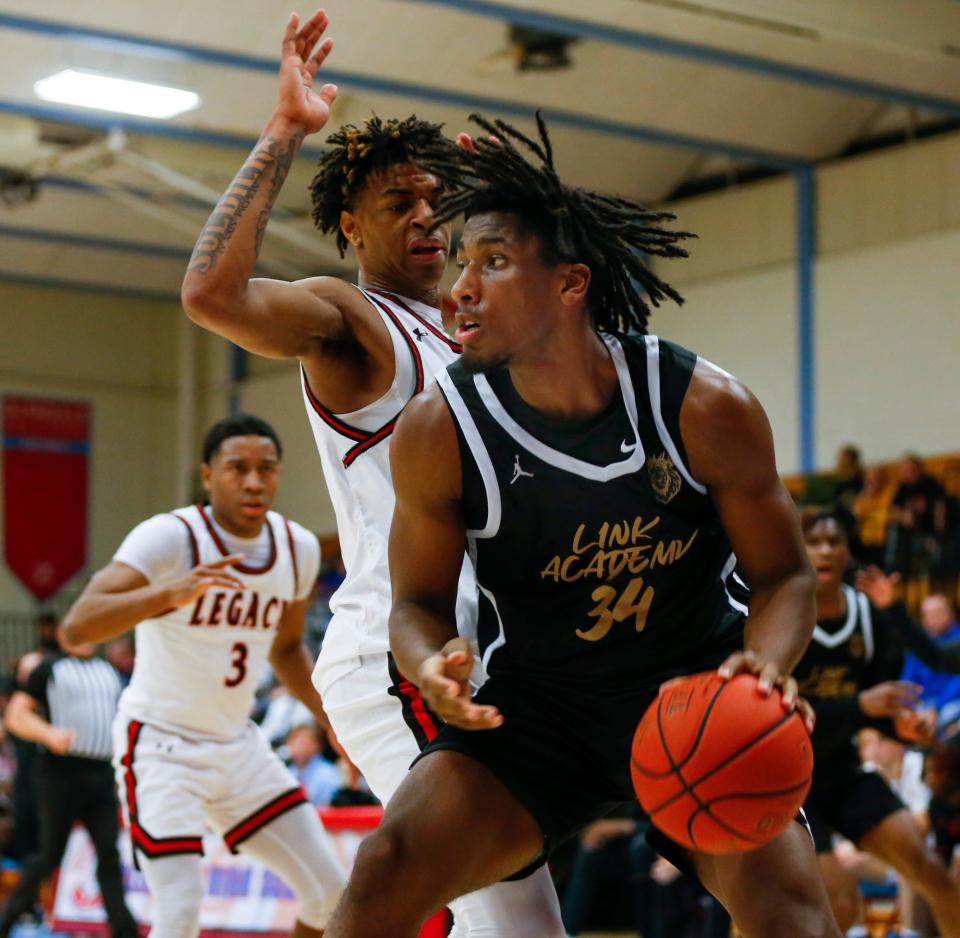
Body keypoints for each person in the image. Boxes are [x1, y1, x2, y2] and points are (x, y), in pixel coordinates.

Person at [321, 113, 839, 938]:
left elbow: (785, 577)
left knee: (793, 919)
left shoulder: (703, 405)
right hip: (535, 717)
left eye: (491, 263)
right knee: (385, 868)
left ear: (569, 284)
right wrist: (431, 666)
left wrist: (762, 670)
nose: (460, 289)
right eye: (461, 263)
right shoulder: (438, 427)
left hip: (687, 696)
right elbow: (415, 604)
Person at [179, 10, 564, 937]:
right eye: (399, 204)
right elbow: (211, 297)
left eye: (436, 198)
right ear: (351, 225)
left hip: (485, 653)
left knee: (518, 918)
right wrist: (282, 133)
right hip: (399, 656)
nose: (428, 215)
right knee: (513, 921)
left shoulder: (470, 335)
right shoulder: (353, 321)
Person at [61, 414, 345, 938]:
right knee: (180, 913)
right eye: (238, 468)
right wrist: (166, 594)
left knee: (331, 895)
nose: (255, 481)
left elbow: (286, 649)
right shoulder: (171, 537)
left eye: (267, 469)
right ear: (208, 475)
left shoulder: (298, 548)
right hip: (162, 746)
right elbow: (78, 626)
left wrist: (333, 724)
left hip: (238, 746)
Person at [796, 507, 960, 935]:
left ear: (849, 551)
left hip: (843, 769)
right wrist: (861, 708)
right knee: (840, 901)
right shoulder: (781, 614)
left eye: (835, 541)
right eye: (815, 541)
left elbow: (879, 703)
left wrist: (900, 727)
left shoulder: (867, 616)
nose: (826, 549)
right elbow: (779, 715)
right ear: (797, 547)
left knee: (933, 875)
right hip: (788, 782)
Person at [0, 624, 137, 938]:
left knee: (109, 855)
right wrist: (49, 734)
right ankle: (5, 922)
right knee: (49, 855)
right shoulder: (49, 668)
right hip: (60, 773)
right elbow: (16, 716)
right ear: (62, 635)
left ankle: (124, 931)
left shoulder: (109, 671)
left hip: (102, 774)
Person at [900, 593, 960, 714]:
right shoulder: (920, 644)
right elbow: (908, 680)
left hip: (951, 704)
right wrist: (905, 707)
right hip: (922, 705)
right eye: (927, 614)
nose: (933, 617)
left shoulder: (957, 640)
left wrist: (936, 709)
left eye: (938, 612)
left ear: (951, 614)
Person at [285, 723, 343, 806]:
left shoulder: (328, 773)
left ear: (317, 745)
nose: (299, 746)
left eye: (304, 742)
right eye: (295, 740)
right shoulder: (288, 772)